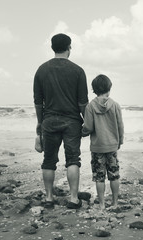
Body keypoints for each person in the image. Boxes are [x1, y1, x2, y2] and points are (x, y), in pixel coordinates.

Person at [33, 33, 88, 209]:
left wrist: (40, 123)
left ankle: (49, 198)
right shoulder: (78, 71)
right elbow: (82, 103)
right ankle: (73, 198)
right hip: (72, 122)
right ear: (69, 47)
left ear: (52, 48)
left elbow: (38, 102)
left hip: (49, 120)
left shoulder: (41, 70)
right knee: (73, 159)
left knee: (49, 160)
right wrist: (87, 122)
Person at [82, 74, 124, 211]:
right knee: (114, 175)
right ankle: (115, 202)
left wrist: (81, 133)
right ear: (109, 88)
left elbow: (88, 127)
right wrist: (120, 141)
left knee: (99, 177)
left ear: (94, 90)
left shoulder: (90, 107)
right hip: (112, 146)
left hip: (97, 147)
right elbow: (120, 125)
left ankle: (101, 204)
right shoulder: (115, 105)